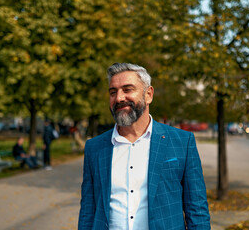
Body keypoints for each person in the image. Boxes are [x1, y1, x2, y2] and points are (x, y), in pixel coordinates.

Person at [78, 63, 210, 229]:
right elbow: (88, 212)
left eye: (127, 89)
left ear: (148, 94)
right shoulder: (95, 148)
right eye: (113, 92)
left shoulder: (182, 142)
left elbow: (197, 211)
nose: (119, 98)